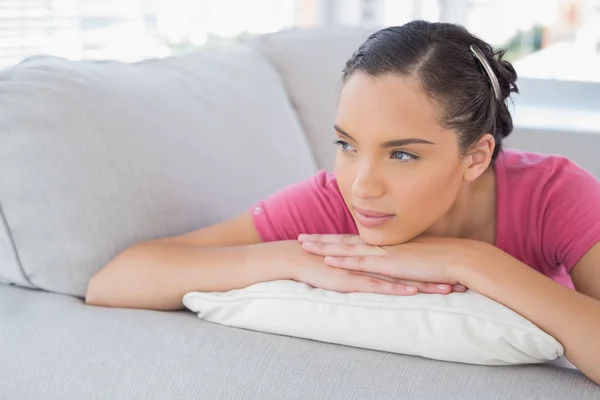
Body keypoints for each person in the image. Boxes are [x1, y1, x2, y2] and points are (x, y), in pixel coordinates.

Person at [85, 21, 600, 384]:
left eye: (401, 154)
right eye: (348, 145)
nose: (362, 186)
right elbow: (113, 282)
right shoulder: (333, 204)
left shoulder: (555, 194)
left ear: (475, 156)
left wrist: (472, 260)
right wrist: (292, 258)